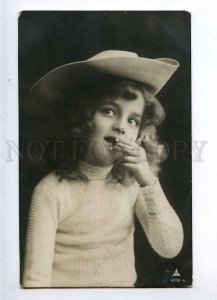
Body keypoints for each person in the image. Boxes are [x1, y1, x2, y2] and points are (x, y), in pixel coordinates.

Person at [22, 50, 184, 288]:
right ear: (81, 120)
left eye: (133, 120)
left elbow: (169, 248)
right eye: (109, 111)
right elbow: (35, 280)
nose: (121, 127)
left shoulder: (132, 182)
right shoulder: (50, 192)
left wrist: (149, 182)